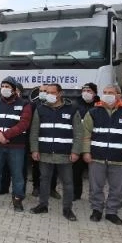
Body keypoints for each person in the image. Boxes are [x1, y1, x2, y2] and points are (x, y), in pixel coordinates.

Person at [80, 84, 122, 225]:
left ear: (118, 95)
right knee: (95, 187)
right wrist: (86, 152)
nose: (107, 95)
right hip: (96, 157)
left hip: (119, 159)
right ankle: (97, 209)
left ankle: (112, 212)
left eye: (110, 92)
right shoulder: (93, 113)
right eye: (105, 92)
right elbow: (85, 135)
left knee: (116, 188)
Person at [28, 84, 83, 221]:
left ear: (60, 94)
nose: (49, 95)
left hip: (65, 154)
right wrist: (34, 149)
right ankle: (43, 205)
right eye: (47, 92)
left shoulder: (72, 109)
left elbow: (78, 133)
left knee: (68, 183)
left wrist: (76, 151)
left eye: (52, 92)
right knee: (44, 180)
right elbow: (34, 132)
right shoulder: (40, 109)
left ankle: (67, 209)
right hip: (45, 153)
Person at [0, 76, 33, 211]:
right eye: (2, 86)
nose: (4, 89)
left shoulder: (24, 104)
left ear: (14, 89)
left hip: (16, 147)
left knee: (17, 174)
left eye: (7, 87)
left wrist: (5, 135)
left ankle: (17, 199)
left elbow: (24, 124)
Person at [72, 83, 99, 200]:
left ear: (95, 93)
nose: (86, 93)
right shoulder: (75, 105)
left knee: (94, 173)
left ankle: (94, 195)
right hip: (79, 142)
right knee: (76, 171)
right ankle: (76, 193)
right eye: (84, 90)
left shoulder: (100, 105)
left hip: (94, 143)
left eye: (89, 91)